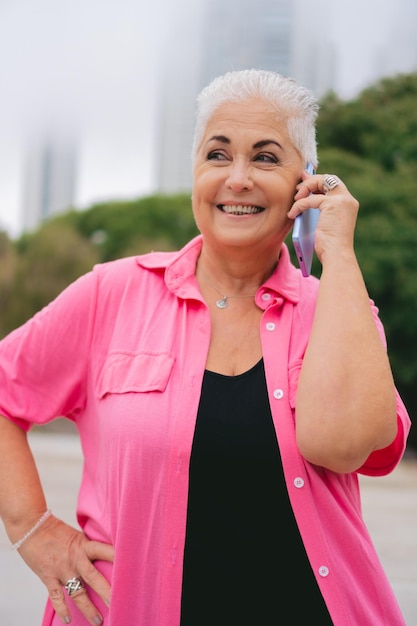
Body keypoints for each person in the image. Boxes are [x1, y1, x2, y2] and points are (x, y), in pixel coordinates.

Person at [0, 69, 410, 626]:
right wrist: (33, 530)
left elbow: (342, 446)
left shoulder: (338, 308)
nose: (237, 178)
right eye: (218, 154)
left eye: (266, 158)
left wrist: (336, 252)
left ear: (306, 181)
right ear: (195, 170)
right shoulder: (111, 294)